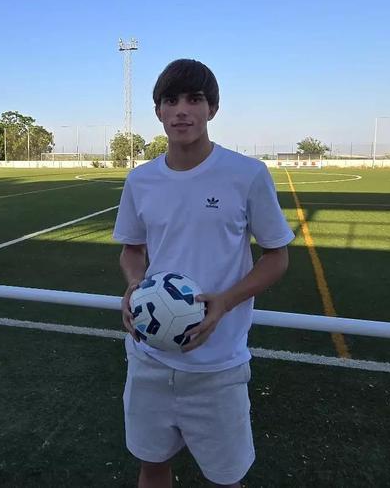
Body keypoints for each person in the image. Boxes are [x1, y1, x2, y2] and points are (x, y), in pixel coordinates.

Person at [113, 58, 294, 487]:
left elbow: (277, 257)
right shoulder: (141, 180)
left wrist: (224, 302)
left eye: (194, 100)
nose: (181, 110)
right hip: (148, 357)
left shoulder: (247, 175)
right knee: (152, 465)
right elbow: (131, 250)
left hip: (218, 365)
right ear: (158, 111)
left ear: (212, 109)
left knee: (226, 478)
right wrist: (136, 288)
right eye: (170, 100)